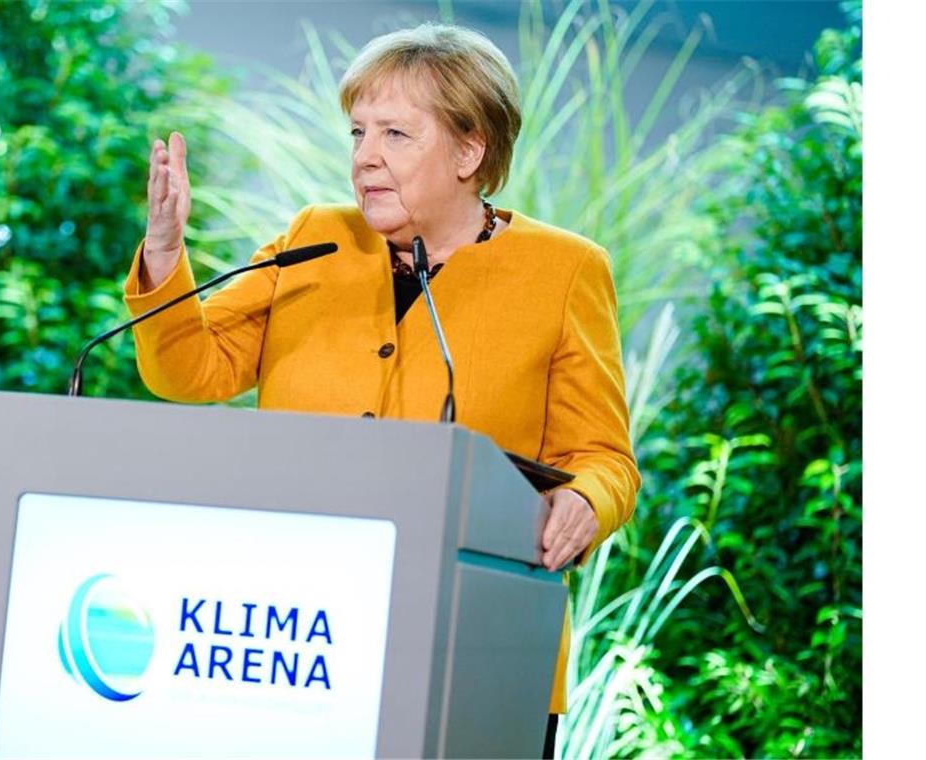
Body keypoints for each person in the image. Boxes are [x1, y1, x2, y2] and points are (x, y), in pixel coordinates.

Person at [123, 23, 640, 758]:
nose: (365, 156)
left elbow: (605, 456)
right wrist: (166, 256)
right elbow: (189, 369)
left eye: (397, 133)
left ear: (471, 150)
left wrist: (588, 498)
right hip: (298, 643)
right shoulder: (315, 239)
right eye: (359, 131)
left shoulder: (564, 272)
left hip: (478, 653)